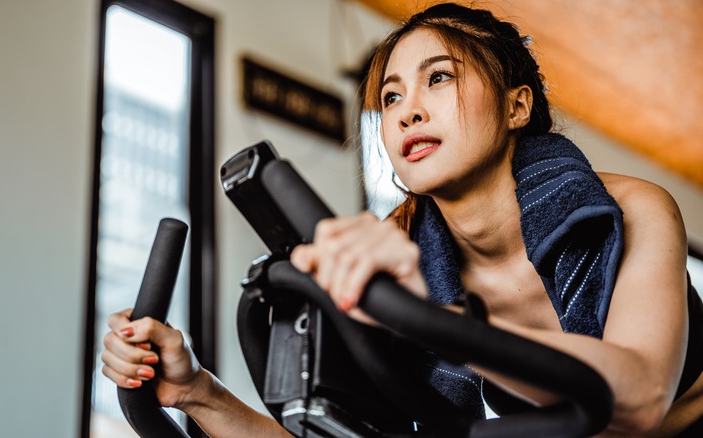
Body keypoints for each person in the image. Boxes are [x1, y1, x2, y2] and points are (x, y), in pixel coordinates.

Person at [101, 3, 703, 436]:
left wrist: (427, 319)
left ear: (517, 106)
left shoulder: (631, 209)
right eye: (390, 98)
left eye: (438, 78)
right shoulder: (395, 260)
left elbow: (641, 397)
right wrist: (197, 393)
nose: (408, 111)